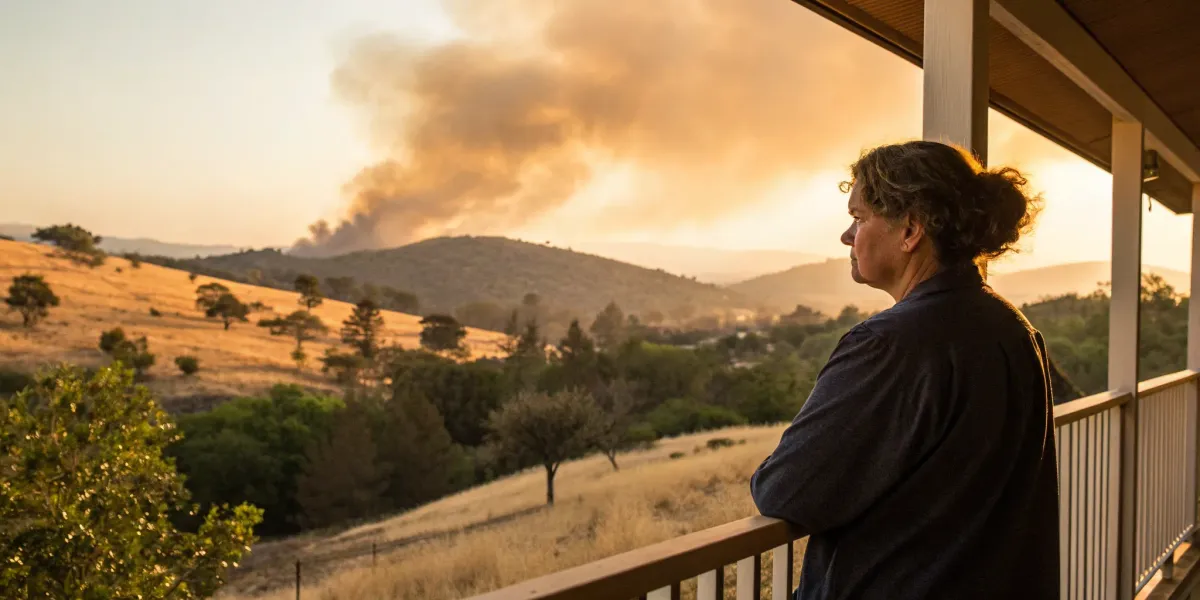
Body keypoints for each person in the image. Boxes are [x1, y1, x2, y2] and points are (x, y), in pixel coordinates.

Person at [750, 141, 1057, 599]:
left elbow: (785, 492)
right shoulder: (1013, 329)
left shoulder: (891, 345)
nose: (847, 237)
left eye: (859, 218)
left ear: (910, 230)